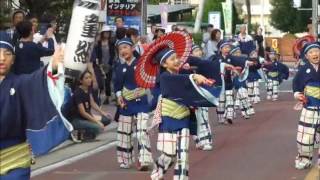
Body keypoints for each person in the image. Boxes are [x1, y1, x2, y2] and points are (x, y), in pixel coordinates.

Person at [0, 31, 71, 180]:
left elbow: (42, 79)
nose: (2, 58)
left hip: (14, 158)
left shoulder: (20, 83)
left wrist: (54, 65)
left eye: (7, 54)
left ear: (13, 59)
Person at [113, 38, 153, 170]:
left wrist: (145, 89)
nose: (123, 51)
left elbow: (151, 78)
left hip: (141, 103)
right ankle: (125, 159)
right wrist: (119, 96)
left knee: (142, 131)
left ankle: (144, 160)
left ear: (132, 48)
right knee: (124, 133)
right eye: (120, 49)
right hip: (126, 104)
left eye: (125, 47)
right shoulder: (119, 67)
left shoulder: (142, 63)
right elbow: (117, 86)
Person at [292, 42, 320, 170]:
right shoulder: (304, 69)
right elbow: (296, 83)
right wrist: (298, 94)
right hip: (310, 106)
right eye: (311, 52)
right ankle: (304, 159)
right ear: (307, 56)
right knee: (305, 135)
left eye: (317, 51)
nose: (315, 54)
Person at [69, 70, 111, 141]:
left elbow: (92, 103)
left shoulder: (88, 89)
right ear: (81, 81)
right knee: (99, 127)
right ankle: (82, 135)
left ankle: (87, 133)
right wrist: (96, 121)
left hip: (87, 116)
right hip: (78, 119)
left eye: (90, 77)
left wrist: (103, 113)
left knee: (107, 119)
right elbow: (83, 113)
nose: (89, 80)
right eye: (86, 78)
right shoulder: (78, 93)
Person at [190, 44, 213, 150]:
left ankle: (206, 141)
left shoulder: (204, 63)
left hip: (202, 93)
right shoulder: (184, 65)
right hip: (189, 95)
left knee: (203, 116)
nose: (198, 53)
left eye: (199, 50)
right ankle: (197, 138)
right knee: (191, 119)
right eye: (195, 51)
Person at [91, 25, 115, 105]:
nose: (107, 34)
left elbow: (113, 54)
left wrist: (110, 63)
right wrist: (99, 63)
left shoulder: (112, 43)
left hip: (109, 64)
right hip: (100, 65)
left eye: (108, 32)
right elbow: (97, 54)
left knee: (108, 82)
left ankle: (107, 97)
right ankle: (98, 96)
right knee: (100, 81)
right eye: (105, 32)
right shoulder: (98, 43)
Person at [230, 45, 255, 119]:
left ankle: (244, 112)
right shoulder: (230, 61)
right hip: (234, 79)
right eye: (236, 52)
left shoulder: (243, 59)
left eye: (239, 52)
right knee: (240, 93)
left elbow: (250, 62)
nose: (238, 54)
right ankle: (247, 109)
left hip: (242, 78)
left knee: (242, 94)